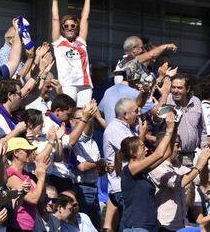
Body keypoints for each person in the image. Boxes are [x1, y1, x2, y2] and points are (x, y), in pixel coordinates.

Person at [114, 112, 177, 232]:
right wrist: (168, 129)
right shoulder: (130, 169)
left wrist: (174, 129)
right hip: (137, 227)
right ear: (133, 152)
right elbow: (158, 153)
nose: (147, 149)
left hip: (151, 226)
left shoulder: (142, 171)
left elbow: (166, 153)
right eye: (143, 147)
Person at [150, 133, 210, 231]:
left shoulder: (178, 166)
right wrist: (199, 165)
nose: (180, 149)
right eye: (177, 145)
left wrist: (204, 162)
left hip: (182, 226)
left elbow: (200, 180)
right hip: (164, 227)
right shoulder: (157, 167)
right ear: (166, 146)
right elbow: (181, 183)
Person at [41, 94, 97, 193]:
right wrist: (84, 119)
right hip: (55, 175)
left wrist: (88, 118)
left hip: (65, 175)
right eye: (68, 114)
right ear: (58, 111)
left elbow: (83, 137)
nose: (69, 118)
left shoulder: (62, 125)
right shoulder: (49, 125)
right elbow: (70, 141)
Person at [103, 98, 143, 231]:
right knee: (128, 225)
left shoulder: (127, 129)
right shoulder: (115, 129)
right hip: (121, 187)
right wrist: (142, 135)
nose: (138, 114)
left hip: (128, 186)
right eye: (135, 111)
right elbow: (134, 152)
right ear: (125, 115)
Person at [51, 0, 92, 107]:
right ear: (62, 29)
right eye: (66, 26)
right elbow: (55, 19)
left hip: (85, 85)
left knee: (85, 116)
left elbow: (85, 18)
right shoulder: (59, 42)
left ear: (76, 28)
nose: (69, 28)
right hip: (68, 84)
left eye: (73, 26)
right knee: (68, 113)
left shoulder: (81, 41)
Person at [70, 107, 105, 230]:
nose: (85, 121)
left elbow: (99, 170)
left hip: (94, 188)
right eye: (81, 118)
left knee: (95, 227)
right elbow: (82, 166)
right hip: (81, 188)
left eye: (88, 118)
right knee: (82, 226)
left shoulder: (93, 142)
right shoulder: (73, 141)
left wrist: (104, 167)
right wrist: (100, 163)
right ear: (72, 121)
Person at [6, 137, 50, 231]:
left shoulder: (26, 175)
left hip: (28, 227)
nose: (30, 153)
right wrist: (41, 178)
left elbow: (41, 198)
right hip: (17, 227)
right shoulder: (10, 174)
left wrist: (41, 175)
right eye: (27, 150)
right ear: (15, 153)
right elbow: (33, 199)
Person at [167, 73, 207, 167]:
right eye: (173, 87)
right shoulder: (167, 101)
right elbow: (156, 121)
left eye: (180, 88)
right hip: (172, 157)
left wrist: (204, 149)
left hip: (193, 155)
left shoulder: (196, 102)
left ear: (188, 89)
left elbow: (202, 128)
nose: (175, 91)